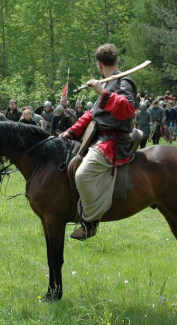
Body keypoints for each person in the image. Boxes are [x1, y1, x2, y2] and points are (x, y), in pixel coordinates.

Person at [60, 43, 137, 240]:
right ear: (117, 60)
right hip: (96, 137)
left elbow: (127, 109)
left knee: (82, 175)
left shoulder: (123, 83)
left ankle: (90, 222)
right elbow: (92, 115)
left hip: (112, 142)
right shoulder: (108, 83)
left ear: (98, 65)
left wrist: (102, 92)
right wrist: (71, 132)